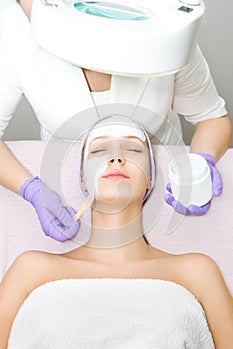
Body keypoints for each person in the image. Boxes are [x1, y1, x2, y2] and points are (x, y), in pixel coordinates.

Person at [0, 0, 232, 242]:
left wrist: (201, 161)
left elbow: (212, 118)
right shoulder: (15, 30)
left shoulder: (167, 25)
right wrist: (30, 189)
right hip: (69, 180)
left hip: (165, 181)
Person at [0, 116, 232, 349]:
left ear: (150, 179)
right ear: (83, 178)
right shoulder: (31, 269)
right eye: (99, 150)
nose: (116, 158)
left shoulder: (197, 272)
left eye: (133, 150)